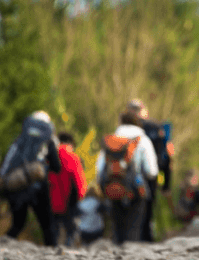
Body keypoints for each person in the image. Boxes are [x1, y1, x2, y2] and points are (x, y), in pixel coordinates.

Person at [0, 110, 62, 246]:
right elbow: (57, 167)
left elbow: (8, 161)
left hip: (17, 184)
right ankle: (53, 254)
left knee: (18, 224)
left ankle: (1, 247)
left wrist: (2, 179)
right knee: (47, 225)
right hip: (39, 187)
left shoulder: (21, 138)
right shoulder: (47, 141)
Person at [96, 110, 159, 244]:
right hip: (136, 189)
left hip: (112, 186)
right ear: (138, 123)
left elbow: (99, 168)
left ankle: (118, 252)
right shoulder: (143, 140)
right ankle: (131, 251)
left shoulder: (111, 140)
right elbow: (152, 171)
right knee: (134, 225)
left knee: (118, 226)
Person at [127, 98, 173, 242]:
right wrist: (167, 184)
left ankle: (132, 237)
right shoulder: (156, 127)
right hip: (152, 172)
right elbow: (167, 156)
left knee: (133, 205)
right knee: (148, 206)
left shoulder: (127, 129)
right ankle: (146, 237)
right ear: (144, 111)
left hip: (131, 173)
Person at [48, 131, 87, 246]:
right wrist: (81, 197)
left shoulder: (50, 155)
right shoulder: (73, 157)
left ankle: (52, 250)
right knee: (71, 229)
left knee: (53, 229)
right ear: (71, 143)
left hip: (51, 200)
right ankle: (67, 250)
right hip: (68, 201)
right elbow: (79, 181)